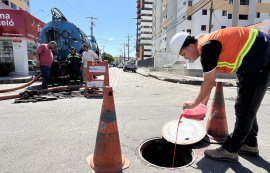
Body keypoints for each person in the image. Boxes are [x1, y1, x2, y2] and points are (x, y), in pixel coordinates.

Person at [170, 27, 270, 162]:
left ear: (192, 46)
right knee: (246, 105)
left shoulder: (207, 47)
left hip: (260, 57)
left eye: (184, 54)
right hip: (251, 62)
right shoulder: (205, 46)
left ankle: (230, 150)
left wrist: (194, 104)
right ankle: (249, 144)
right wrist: (202, 106)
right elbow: (209, 83)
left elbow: (209, 82)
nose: (186, 58)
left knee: (245, 109)